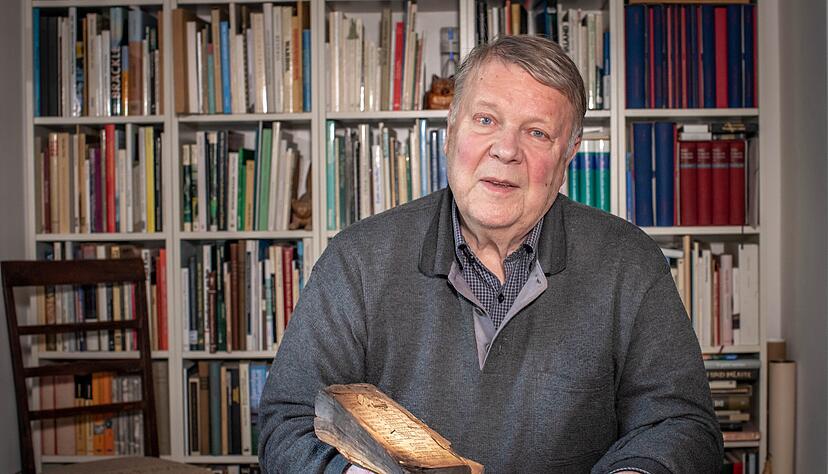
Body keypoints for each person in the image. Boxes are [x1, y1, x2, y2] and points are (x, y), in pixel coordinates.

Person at [258, 35, 723, 473]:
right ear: (449, 130)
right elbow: (289, 422)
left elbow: (682, 425)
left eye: (537, 133)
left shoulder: (629, 262)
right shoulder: (356, 260)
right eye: (486, 120)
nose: (505, 150)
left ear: (570, 155)